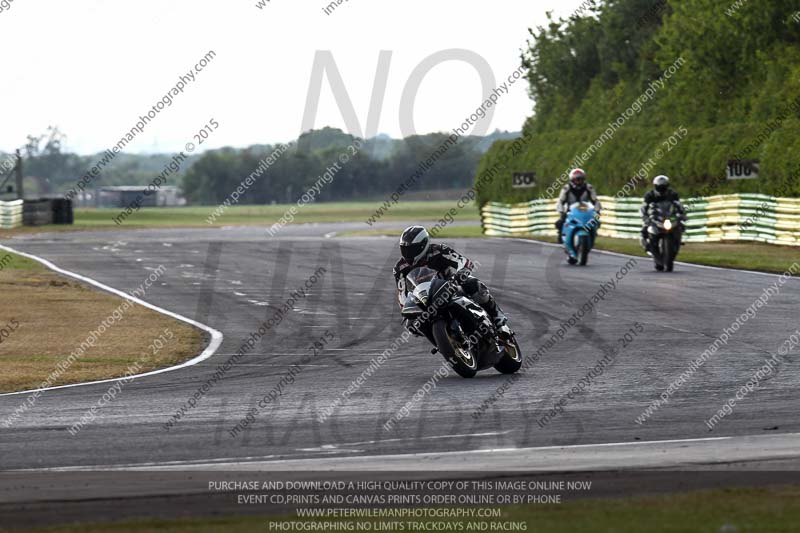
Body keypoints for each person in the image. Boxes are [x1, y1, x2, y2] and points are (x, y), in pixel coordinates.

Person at [393, 226, 507, 330]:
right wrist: (406, 309)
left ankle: (496, 314)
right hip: (424, 299)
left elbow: (463, 261)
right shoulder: (400, 268)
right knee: (411, 324)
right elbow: (402, 294)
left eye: (412, 249)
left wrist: (462, 272)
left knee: (472, 283)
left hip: (450, 287)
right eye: (404, 249)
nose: (407, 253)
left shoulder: (439, 250)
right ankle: (446, 341)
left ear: (423, 244)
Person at [640, 175, 686, 252]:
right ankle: (646, 244)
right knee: (644, 228)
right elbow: (643, 207)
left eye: (663, 186)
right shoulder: (650, 195)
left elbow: (679, 204)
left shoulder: (672, 194)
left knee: (680, 225)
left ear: (667, 186)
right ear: (655, 186)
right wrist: (644, 216)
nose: (661, 189)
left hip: (669, 217)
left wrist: (682, 214)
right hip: (655, 216)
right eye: (659, 186)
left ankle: (677, 240)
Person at [555, 168, 601, 244]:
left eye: (580, 179)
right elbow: (560, 201)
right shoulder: (566, 188)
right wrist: (562, 212)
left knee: (596, 221)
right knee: (560, 223)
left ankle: (593, 235)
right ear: (572, 179)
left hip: (585, 211)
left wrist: (597, 211)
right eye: (577, 179)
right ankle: (561, 235)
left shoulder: (589, 188)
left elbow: (595, 201)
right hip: (571, 212)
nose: (579, 181)